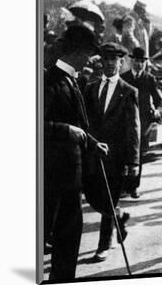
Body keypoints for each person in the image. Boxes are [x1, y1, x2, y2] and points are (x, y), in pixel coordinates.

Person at [44, 25, 108, 281]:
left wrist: (93, 143)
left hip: (71, 177)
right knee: (49, 238)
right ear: (76, 52)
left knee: (69, 242)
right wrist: (65, 130)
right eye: (89, 53)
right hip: (51, 179)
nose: (90, 59)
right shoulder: (49, 80)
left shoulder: (72, 79)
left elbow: (78, 126)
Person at [83, 43, 140, 262]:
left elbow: (134, 129)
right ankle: (119, 217)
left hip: (116, 157)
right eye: (105, 60)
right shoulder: (90, 88)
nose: (109, 64)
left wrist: (133, 161)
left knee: (108, 198)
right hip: (93, 155)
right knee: (94, 197)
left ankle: (103, 246)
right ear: (101, 62)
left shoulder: (128, 91)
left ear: (120, 62)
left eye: (114, 60)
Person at [121, 47, 162, 198]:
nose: (139, 65)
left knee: (138, 155)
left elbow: (158, 99)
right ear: (132, 61)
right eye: (137, 61)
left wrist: (157, 110)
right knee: (124, 152)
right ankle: (123, 186)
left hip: (143, 122)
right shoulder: (123, 77)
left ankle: (134, 187)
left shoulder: (149, 79)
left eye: (142, 62)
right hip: (126, 120)